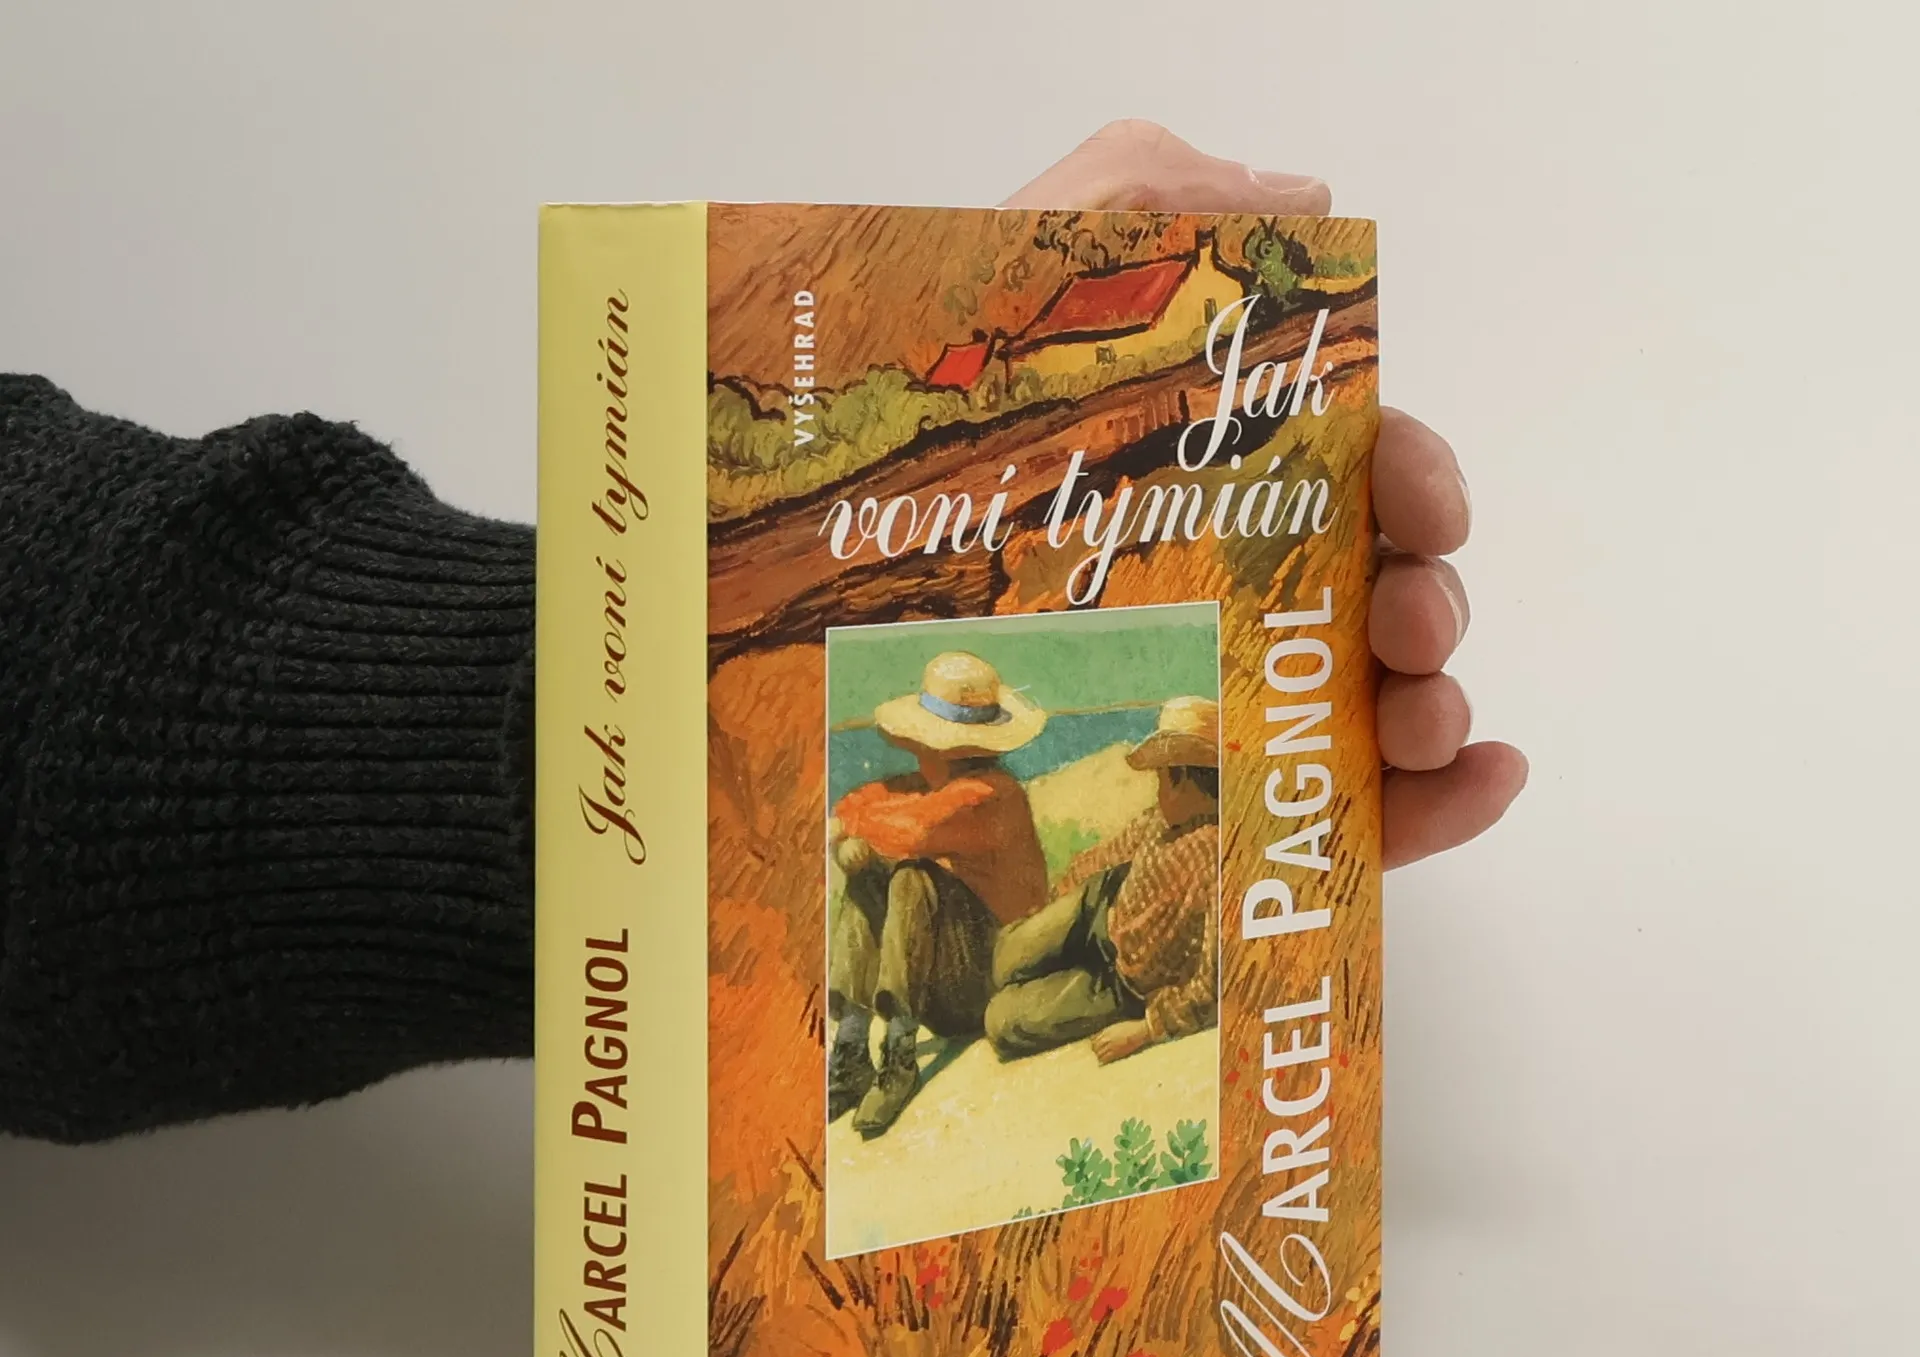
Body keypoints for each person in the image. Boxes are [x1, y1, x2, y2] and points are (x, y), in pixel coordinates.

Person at [0, 121, 1526, 1147]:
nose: (1167, 784)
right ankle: (875, 1052)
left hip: (1015, 963)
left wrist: (677, 684)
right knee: (894, 891)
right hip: (956, 936)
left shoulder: (1001, 807)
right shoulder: (1034, 811)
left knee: (935, 920)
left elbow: (930, 849)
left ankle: (890, 1049)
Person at [829, 651, 1048, 1137]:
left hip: (987, 984)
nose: (916, 752)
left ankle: (899, 1056)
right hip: (947, 976)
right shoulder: (937, 783)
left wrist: (849, 833)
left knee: (912, 878)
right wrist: (851, 837)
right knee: (871, 878)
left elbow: (914, 829)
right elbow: (863, 800)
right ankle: (851, 1047)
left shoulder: (991, 795)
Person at [985, 695, 1220, 1067]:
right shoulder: (1162, 817)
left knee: (1002, 1023)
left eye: (1161, 777)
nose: (1158, 789)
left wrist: (1146, 1029)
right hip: (1101, 905)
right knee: (1003, 958)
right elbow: (1106, 856)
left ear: (1182, 779)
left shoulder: (1218, 860)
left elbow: (1212, 984)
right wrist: (1056, 901)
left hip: (1123, 983)